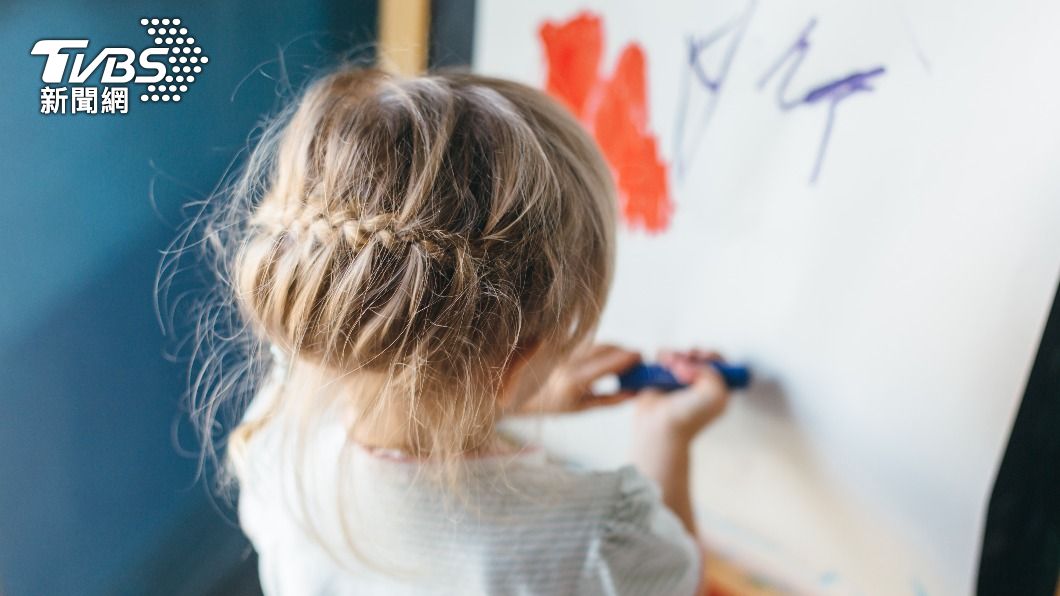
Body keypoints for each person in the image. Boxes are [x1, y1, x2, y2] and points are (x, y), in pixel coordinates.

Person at [196, 66, 730, 595]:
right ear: (515, 363)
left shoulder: (272, 444)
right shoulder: (602, 532)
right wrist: (666, 438)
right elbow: (673, 580)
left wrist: (510, 396)